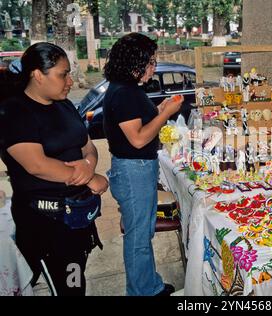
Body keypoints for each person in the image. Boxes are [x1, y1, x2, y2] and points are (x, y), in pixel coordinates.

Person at [0, 42, 108, 296]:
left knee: (75, 279)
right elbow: (36, 164)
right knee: (70, 288)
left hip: (75, 217)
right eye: (63, 74)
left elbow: (87, 146)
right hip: (46, 223)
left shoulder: (65, 105)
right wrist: (87, 177)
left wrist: (89, 165)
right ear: (38, 75)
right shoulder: (15, 111)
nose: (70, 81)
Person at [103, 33, 183, 296]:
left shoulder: (127, 89)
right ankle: (142, 292)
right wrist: (166, 114)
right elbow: (138, 139)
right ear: (134, 63)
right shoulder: (124, 93)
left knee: (142, 232)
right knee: (138, 238)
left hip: (137, 168)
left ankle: (149, 284)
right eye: (150, 62)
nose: (154, 67)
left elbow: (140, 123)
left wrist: (159, 110)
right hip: (132, 169)